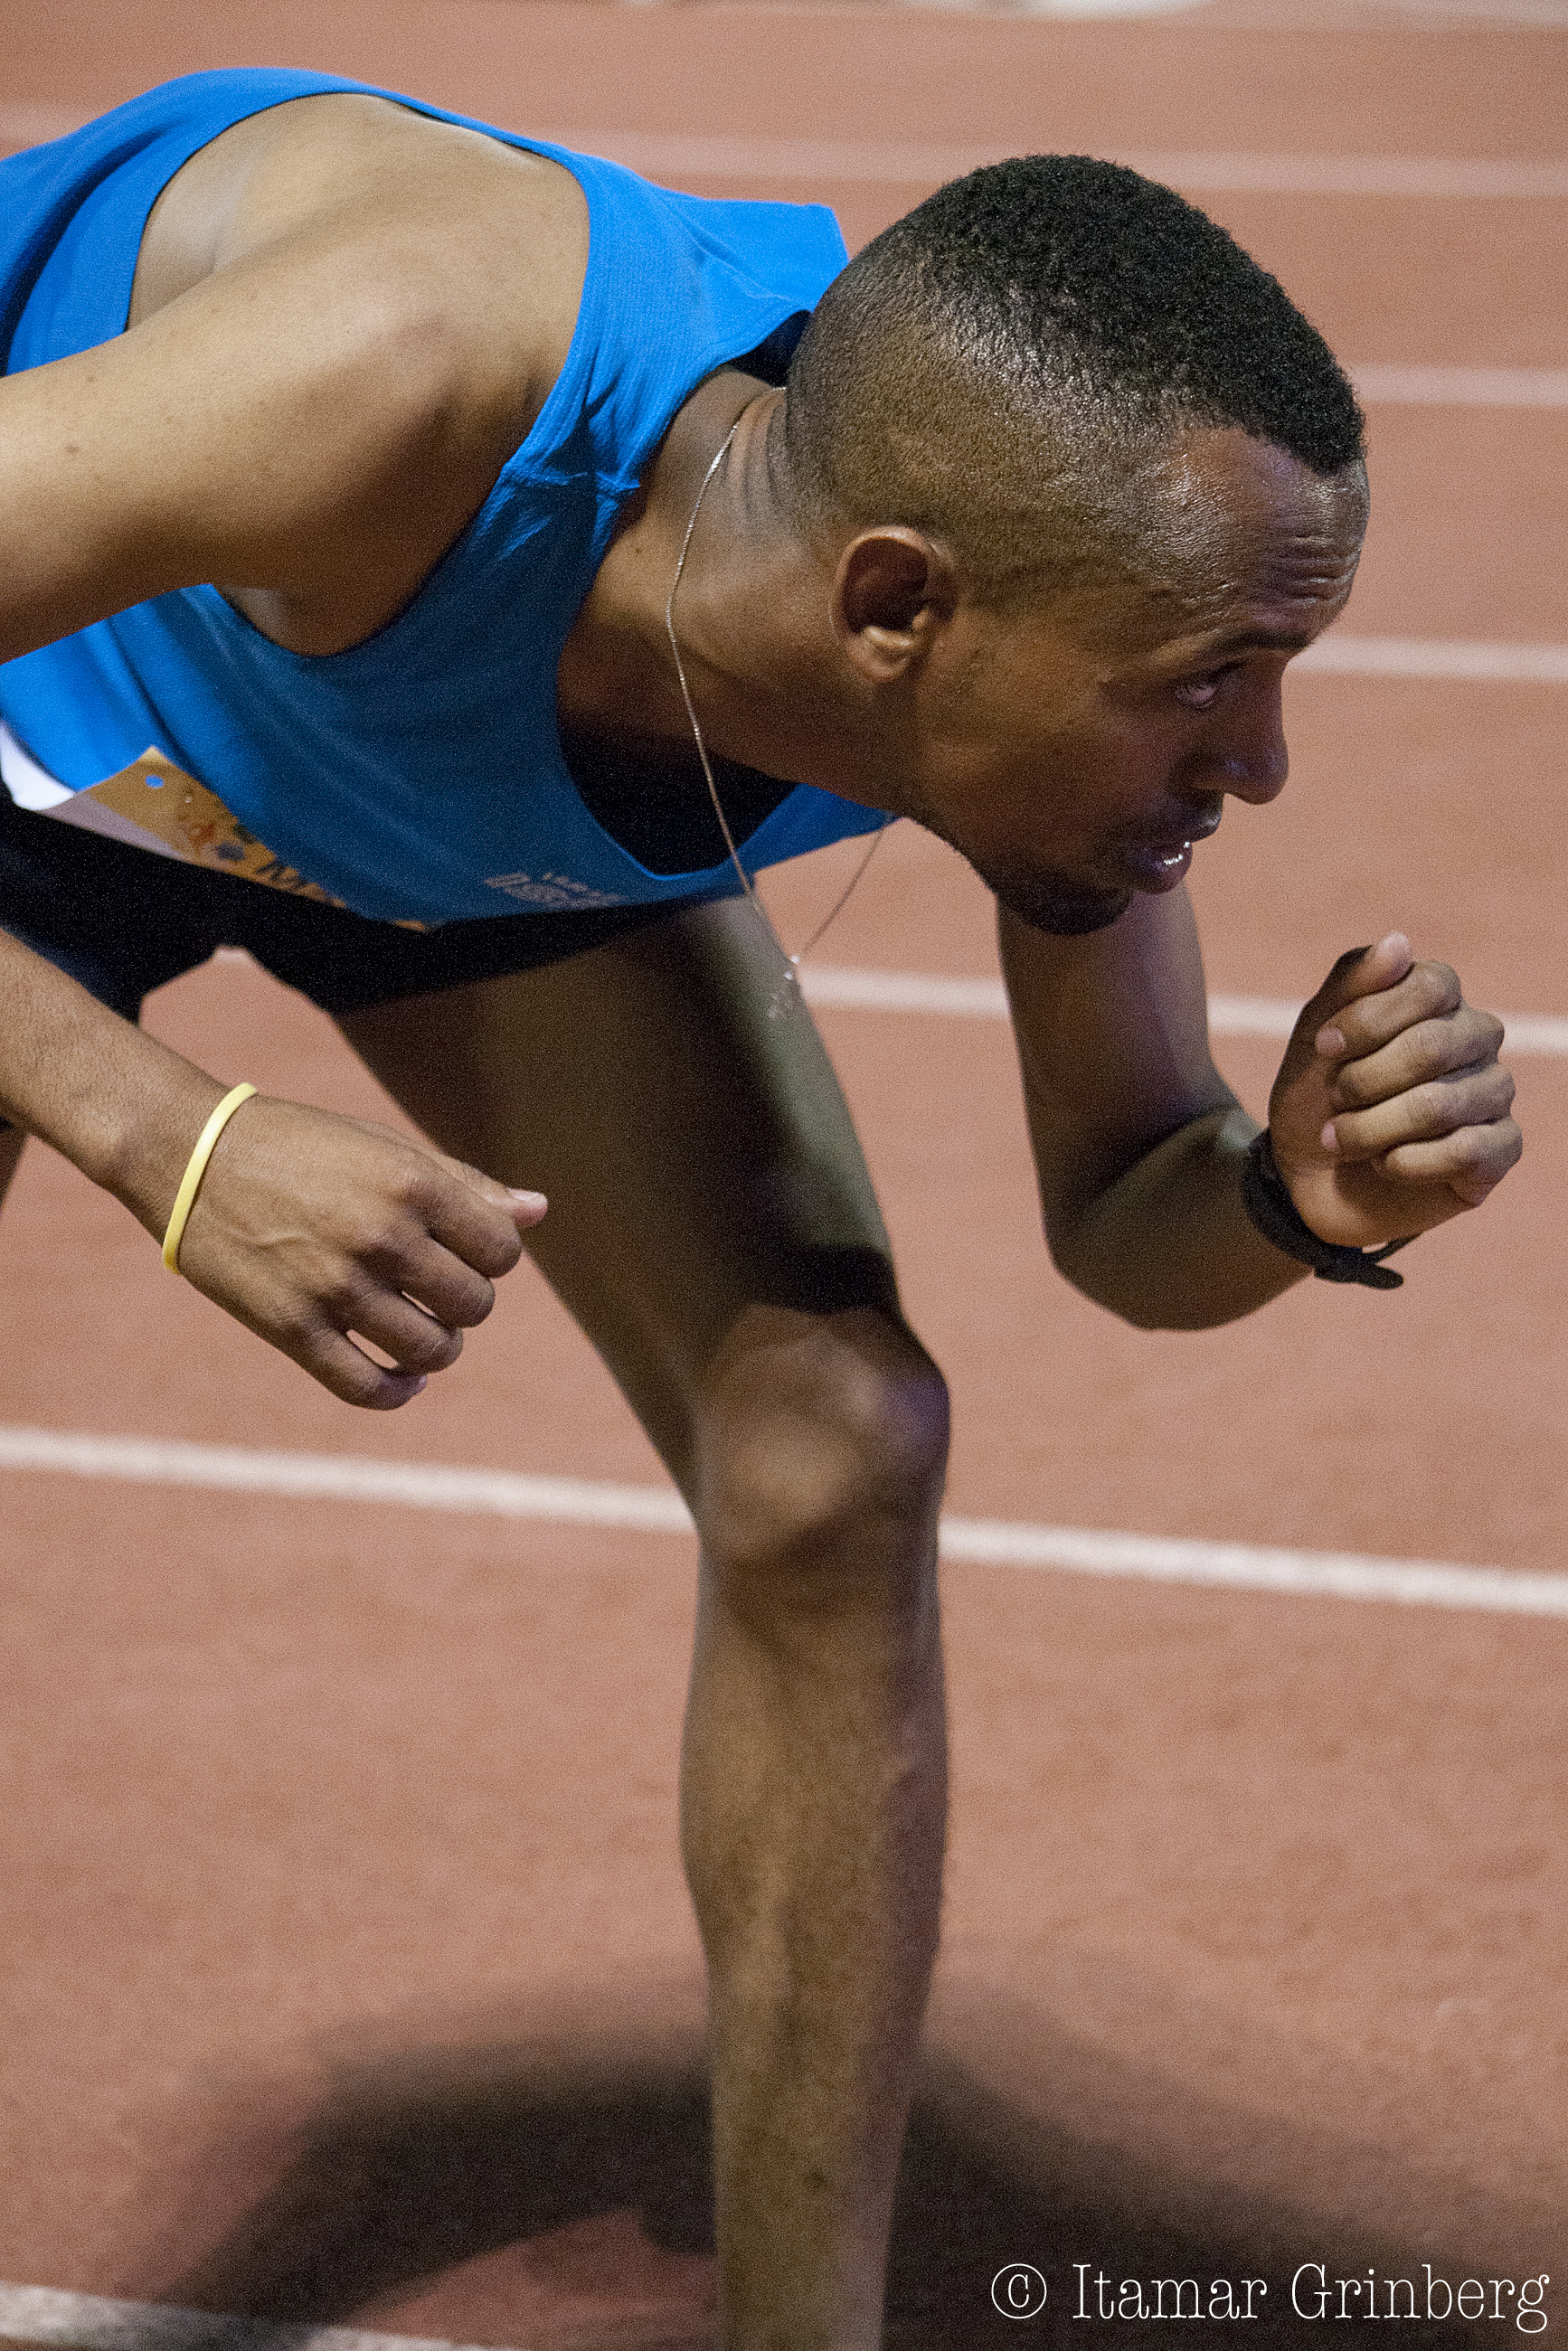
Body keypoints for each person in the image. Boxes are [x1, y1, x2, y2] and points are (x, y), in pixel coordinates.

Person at [0, 68, 1520, 2346]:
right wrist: (158, 1128)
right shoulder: (397, 373)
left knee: (834, 1442)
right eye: (1208, 686)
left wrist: (1294, 1194)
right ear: (899, 607)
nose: (1263, 765)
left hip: (445, 811)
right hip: (58, 711)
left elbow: (1129, 1214)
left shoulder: (1015, 608)